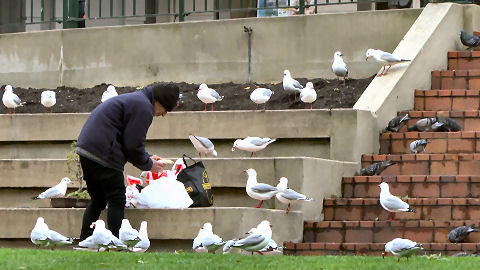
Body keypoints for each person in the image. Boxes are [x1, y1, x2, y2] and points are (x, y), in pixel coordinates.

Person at [76, 83, 180, 240]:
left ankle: (84, 241)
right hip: (104, 153)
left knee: (98, 200)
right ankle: (117, 242)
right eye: (166, 109)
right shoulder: (144, 107)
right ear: (160, 102)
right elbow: (132, 145)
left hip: (87, 150)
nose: (164, 114)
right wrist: (149, 164)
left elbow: (129, 142)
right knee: (117, 199)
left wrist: (147, 158)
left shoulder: (135, 100)